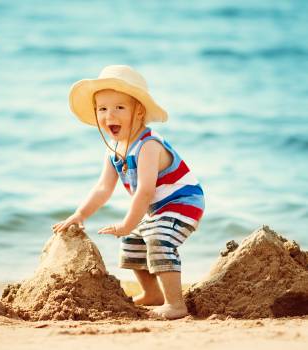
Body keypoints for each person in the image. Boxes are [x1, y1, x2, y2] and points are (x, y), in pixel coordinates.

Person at [52, 65, 205, 320]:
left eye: (119, 108)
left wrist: (126, 222)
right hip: (159, 207)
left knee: (158, 237)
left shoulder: (148, 145)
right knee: (132, 241)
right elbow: (103, 188)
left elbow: (144, 191)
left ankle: (176, 304)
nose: (109, 114)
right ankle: (152, 293)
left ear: (139, 111)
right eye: (102, 109)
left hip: (183, 202)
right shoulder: (114, 150)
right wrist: (80, 214)